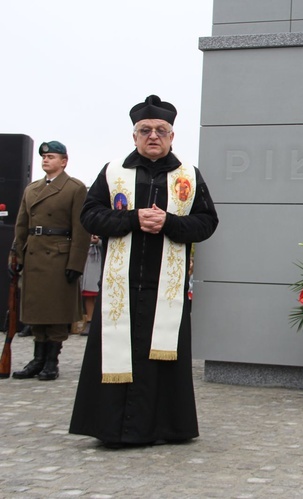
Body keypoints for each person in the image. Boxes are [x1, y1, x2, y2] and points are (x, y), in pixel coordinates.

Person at [69, 95, 219, 448]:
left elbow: (207, 222)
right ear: (134, 136)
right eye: (145, 130)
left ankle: (167, 427)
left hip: (164, 289)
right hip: (120, 285)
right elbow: (89, 215)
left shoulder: (188, 176)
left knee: (161, 358)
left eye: (161, 130)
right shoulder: (113, 172)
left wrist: (169, 222)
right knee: (115, 352)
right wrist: (132, 218)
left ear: (172, 136)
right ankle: (111, 429)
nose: (153, 136)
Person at [8, 140, 89, 381]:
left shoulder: (74, 188)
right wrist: (16, 255)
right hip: (34, 253)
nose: (46, 160)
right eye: (44, 157)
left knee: (55, 313)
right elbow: (21, 226)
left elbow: (81, 229)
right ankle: (37, 359)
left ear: (64, 161)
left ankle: (51, 362)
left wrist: (75, 263)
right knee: (36, 312)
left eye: (52, 157)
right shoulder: (31, 189)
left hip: (58, 256)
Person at [80, 234, 103, 335]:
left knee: (102, 293)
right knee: (88, 292)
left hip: (103, 256)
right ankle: (90, 320)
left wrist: (99, 241)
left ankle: (101, 321)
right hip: (88, 256)